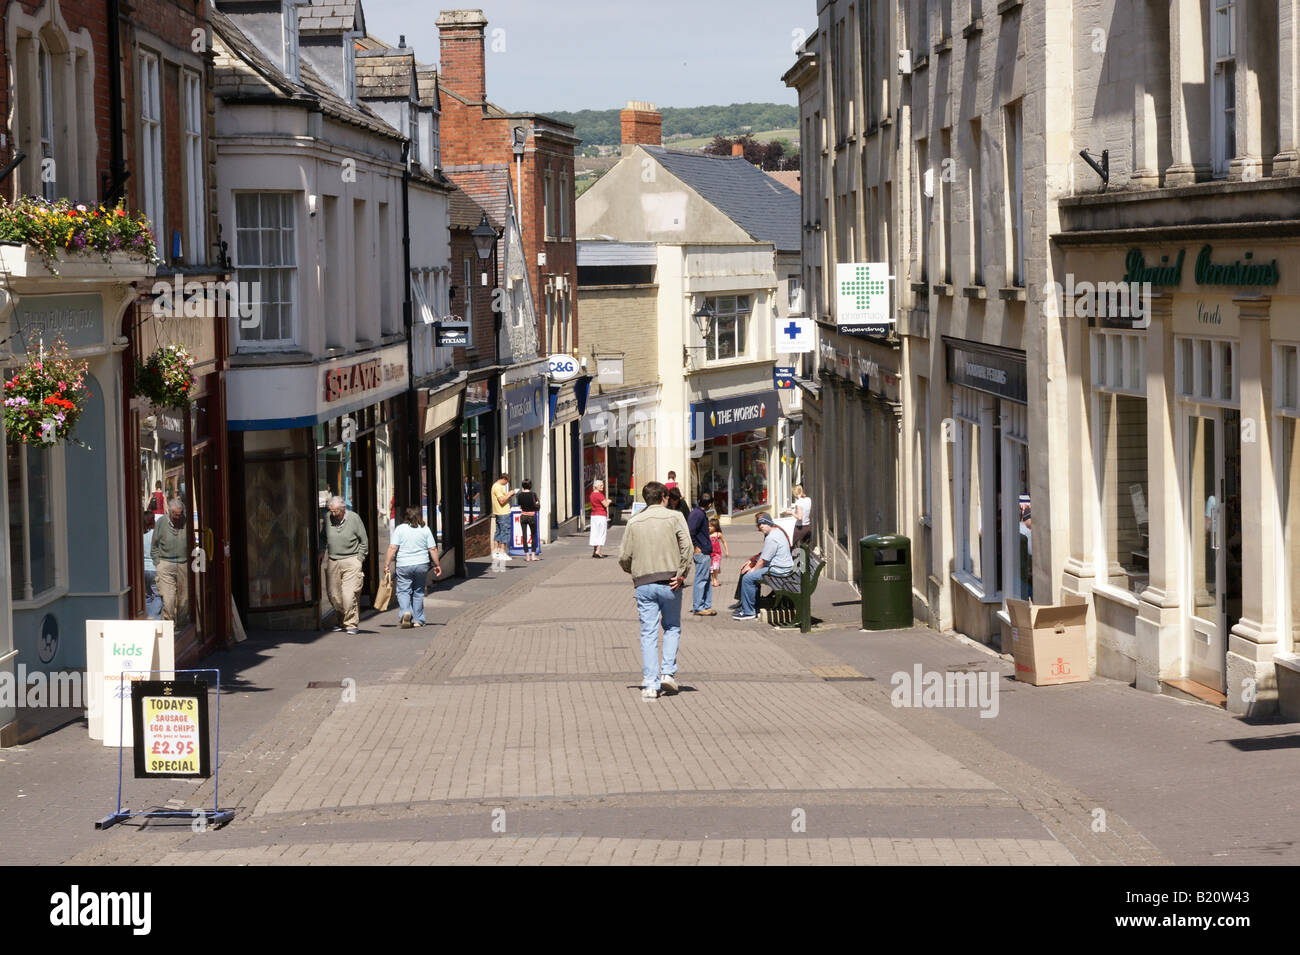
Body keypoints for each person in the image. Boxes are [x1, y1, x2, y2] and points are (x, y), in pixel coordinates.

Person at [618, 481, 694, 701]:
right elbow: (687, 547)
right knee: (671, 626)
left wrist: (635, 571)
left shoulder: (634, 521)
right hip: (670, 580)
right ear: (664, 497)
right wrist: (681, 573)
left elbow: (623, 556)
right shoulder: (675, 517)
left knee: (648, 633)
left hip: (644, 582)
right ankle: (667, 673)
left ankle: (650, 684)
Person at [384, 506, 442, 628]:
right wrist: (437, 564)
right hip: (421, 565)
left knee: (403, 590)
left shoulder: (400, 529)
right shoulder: (425, 529)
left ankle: (405, 611)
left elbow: (392, 548)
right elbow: (433, 548)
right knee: (418, 591)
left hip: (404, 565)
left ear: (406, 516)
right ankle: (418, 620)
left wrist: (387, 564)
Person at [320, 495, 368, 634]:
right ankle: (342, 622)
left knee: (349, 595)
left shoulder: (354, 518)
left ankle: (351, 623)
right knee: (334, 596)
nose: (333, 514)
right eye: (331, 511)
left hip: (352, 560)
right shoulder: (328, 518)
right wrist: (321, 550)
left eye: (336, 512)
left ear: (343, 508)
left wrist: (359, 559)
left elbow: (364, 541)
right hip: (333, 560)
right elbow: (323, 537)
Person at [732, 513, 794, 621]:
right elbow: (764, 557)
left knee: (747, 578)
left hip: (778, 570)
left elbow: (763, 560)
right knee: (752, 577)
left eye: (763, 525)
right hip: (783, 567)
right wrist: (753, 564)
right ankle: (753, 607)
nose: (761, 528)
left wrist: (753, 570)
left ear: (769, 523)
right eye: (759, 526)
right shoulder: (777, 532)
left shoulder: (771, 538)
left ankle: (749, 612)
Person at [151, 498, 190, 625]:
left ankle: (182, 625)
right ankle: (169, 626)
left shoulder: (186, 521)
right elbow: (154, 545)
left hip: (184, 563)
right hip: (165, 563)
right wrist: (158, 563)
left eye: (180, 514)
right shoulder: (161, 522)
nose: (178, 517)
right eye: (176, 515)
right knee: (168, 599)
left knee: (184, 599)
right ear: (170, 512)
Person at [687, 493, 715, 616]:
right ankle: (698, 607)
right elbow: (690, 531)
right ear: (709, 504)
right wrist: (695, 546)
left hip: (704, 550)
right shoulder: (697, 514)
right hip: (701, 551)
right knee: (701, 579)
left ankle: (705, 605)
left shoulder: (698, 513)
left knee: (706, 579)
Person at [490, 474, 517, 568]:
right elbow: (502, 501)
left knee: (498, 532)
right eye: (507, 481)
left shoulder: (495, 486)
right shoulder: (498, 487)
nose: (507, 483)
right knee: (505, 531)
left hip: (498, 512)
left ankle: (496, 552)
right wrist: (510, 494)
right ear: (504, 479)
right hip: (503, 512)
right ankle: (502, 552)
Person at [142, 511, 162, 619]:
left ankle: (148, 616)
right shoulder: (157, 534)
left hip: (143, 569)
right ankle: (154, 617)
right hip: (155, 568)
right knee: (158, 595)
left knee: (147, 596)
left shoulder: (139, 534)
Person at [517, 479, 540, 561]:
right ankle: (533, 555)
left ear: (522, 486)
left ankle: (527, 556)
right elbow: (537, 504)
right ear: (530, 486)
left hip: (523, 516)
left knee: (524, 535)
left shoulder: (519, 495)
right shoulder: (533, 494)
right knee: (533, 535)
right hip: (531, 516)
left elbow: (520, 506)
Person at [784, 484, 813, 548]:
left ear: (795, 493)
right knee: (806, 549)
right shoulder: (808, 499)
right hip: (808, 527)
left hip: (800, 528)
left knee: (794, 548)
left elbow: (799, 517)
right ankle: (805, 558)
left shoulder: (798, 503)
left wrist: (791, 512)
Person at [589, 479, 609, 558]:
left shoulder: (592, 495)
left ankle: (594, 551)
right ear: (596, 486)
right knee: (601, 533)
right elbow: (606, 504)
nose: (602, 487)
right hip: (601, 515)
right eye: (601, 485)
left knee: (595, 533)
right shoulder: (600, 495)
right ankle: (598, 551)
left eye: (602, 485)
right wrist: (609, 501)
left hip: (594, 516)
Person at [709, 517, 728, 588]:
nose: (709, 528)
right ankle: (712, 580)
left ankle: (715, 579)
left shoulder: (718, 534)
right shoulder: (707, 534)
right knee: (711, 567)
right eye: (708, 526)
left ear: (715, 527)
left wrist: (726, 551)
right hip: (710, 553)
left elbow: (724, 542)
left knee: (715, 567)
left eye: (711, 526)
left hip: (717, 554)